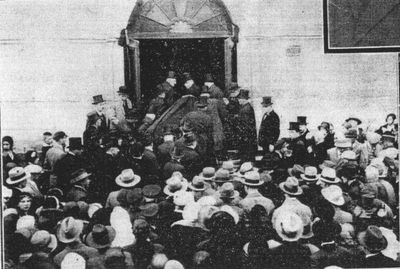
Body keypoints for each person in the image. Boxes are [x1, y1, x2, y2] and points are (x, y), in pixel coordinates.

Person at [236, 89, 257, 161]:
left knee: (246, 158)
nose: (238, 100)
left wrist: (241, 137)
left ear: (243, 99)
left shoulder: (245, 110)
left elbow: (245, 126)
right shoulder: (248, 107)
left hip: (246, 139)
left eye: (239, 99)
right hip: (249, 139)